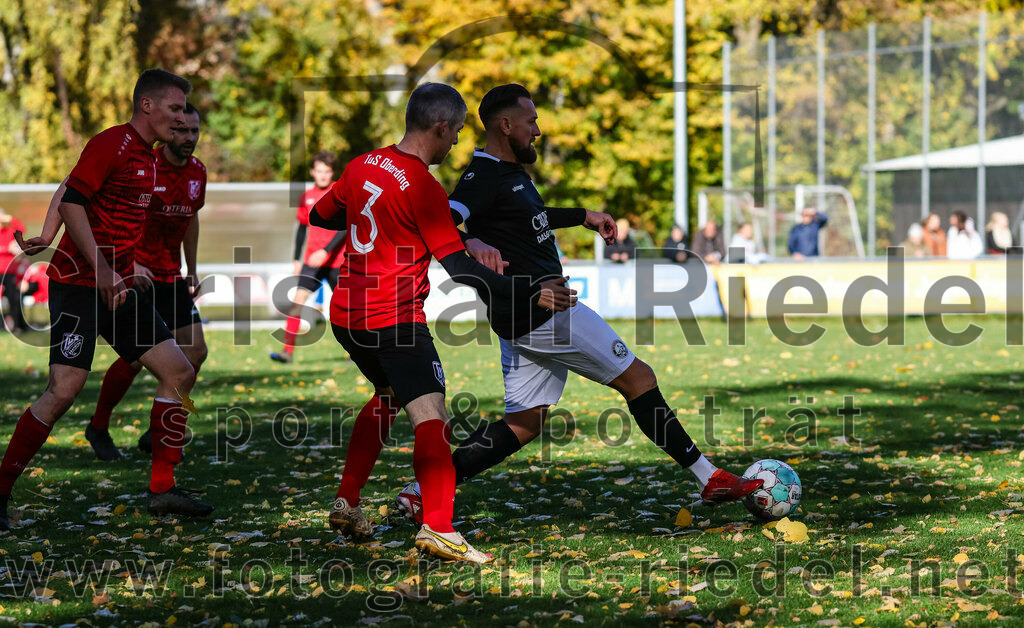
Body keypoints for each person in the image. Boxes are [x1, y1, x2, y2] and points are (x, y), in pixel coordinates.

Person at [394, 83, 762, 526]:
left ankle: (422, 492)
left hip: (522, 319)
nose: (537, 130)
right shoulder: (483, 176)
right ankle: (708, 477)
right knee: (639, 378)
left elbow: (531, 219)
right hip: (546, 312)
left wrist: (582, 216)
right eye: (530, 121)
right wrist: (469, 241)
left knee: (525, 422)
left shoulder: (510, 174)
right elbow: (440, 221)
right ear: (505, 125)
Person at [310, 83, 574, 563]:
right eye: (455, 132)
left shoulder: (363, 164)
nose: (455, 142)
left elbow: (321, 215)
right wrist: (531, 291)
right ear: (440, 126)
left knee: (387, 395)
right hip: (392, 318)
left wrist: (385, 223)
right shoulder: (423, 186)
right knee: (432, 417)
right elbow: (462, 271)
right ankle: (439, 527)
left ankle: (347, 501)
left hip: (347, 315)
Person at [1, 69, 213, 531]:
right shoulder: (112, 142)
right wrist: (88, 260)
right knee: (63, 390)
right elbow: (73, 196)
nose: (182, 120)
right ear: (147, 106)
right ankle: (0, 490)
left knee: (179, 371)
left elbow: (73, 187)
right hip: (79, 283)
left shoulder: (149, 157)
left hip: (118, 285)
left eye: (185, 112)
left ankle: (162, 489)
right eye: (176, 109)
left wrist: (127, 266)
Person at [84, 103, 209, 461]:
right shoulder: (147, 165)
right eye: (181, 130)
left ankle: (160, 431)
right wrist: (133, 261)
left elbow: (191, 219)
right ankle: (99, 425)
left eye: (194, 130)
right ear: (169, 130)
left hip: (171, 274)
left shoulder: (199, 172)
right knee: (137, 358)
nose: (188, 137)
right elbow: (124, 215)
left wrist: (192, 268)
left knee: (195, 352)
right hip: (139, 275)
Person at [270, 151, 345, 364]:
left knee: (346, 310)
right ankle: (287, 352)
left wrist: (326, 251)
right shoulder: (307, 196)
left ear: (332, 172)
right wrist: (296, 258)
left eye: (327, 171)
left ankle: (357, 354)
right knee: (297, 303)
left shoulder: (339, 193)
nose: (323, 175)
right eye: (319, 171)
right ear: (313, 172)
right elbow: (302, 228)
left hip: (338, 261)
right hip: (312, 261)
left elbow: (346, 226)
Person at [0, 208, 28, 333]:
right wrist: (6, 249)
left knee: (13, 299)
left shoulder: (9, 232)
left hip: (8, 273)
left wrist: (10, 219)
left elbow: (21, 229)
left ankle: (16, 326)